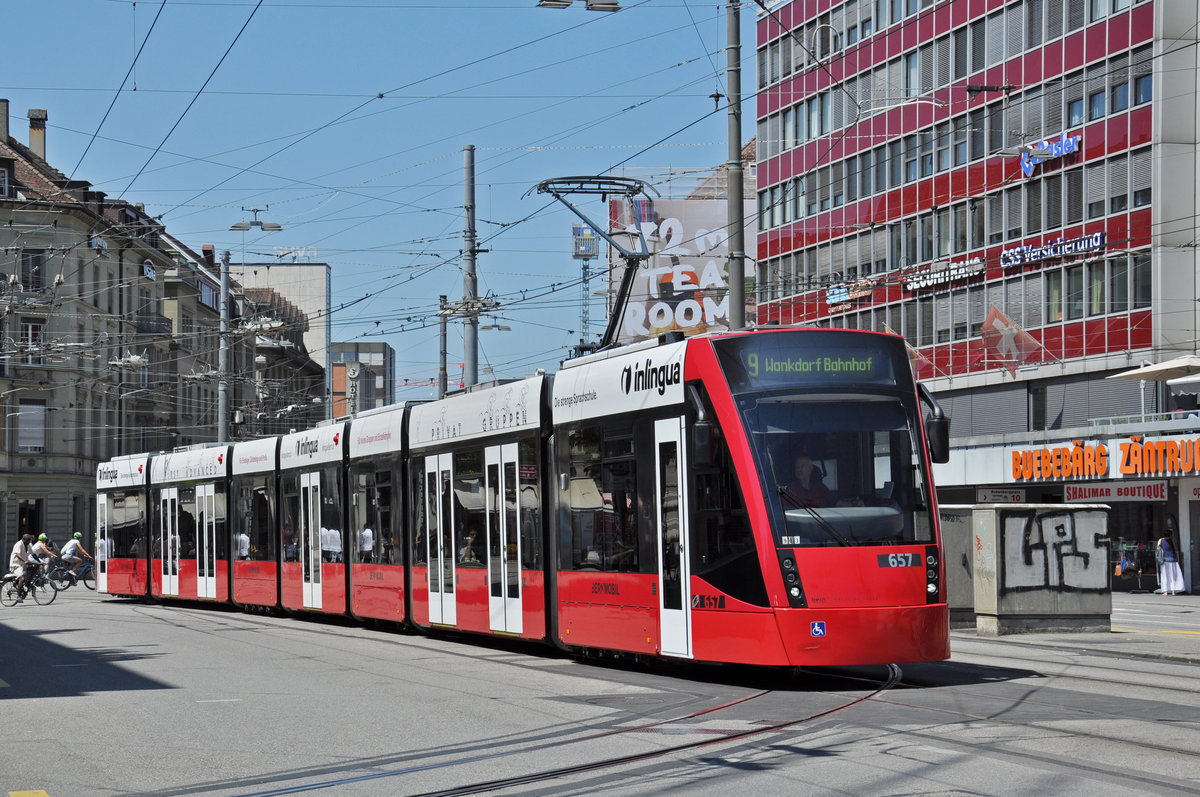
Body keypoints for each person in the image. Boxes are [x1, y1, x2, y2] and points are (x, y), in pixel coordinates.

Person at [7, 533, 35, 601]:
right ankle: (18, 596)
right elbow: (17, 554)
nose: (29, 542)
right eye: (28, 540)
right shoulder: (18, 544)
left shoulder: (27, 545)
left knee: (33, 569)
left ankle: (24, 586)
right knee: (22, 578)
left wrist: (40, 561)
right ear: (24, 539)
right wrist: (25, 560)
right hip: (16, 565)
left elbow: (33, 554)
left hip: (23, 565)